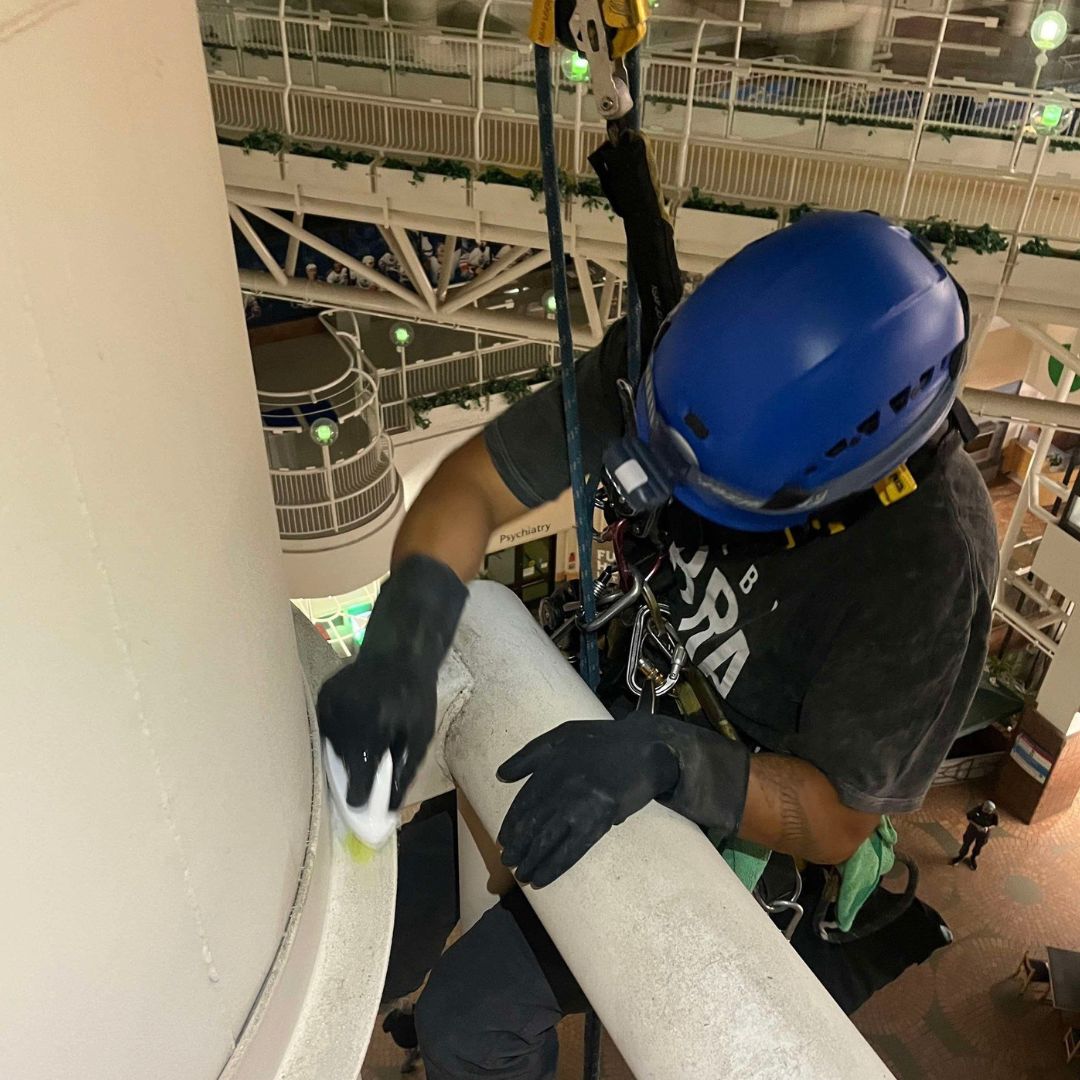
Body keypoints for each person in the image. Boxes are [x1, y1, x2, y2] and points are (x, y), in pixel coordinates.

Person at [317, 211, 998, 1079]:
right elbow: (473, 487)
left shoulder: (927, 568)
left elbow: (834, 818)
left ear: (829, 489)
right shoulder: (686, 380)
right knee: (399, 890)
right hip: (613, 706)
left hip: (733, 806)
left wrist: (676, 762)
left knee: (472, 1016)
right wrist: (404, 643)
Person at [951, 800, 998, 869]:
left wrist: (987, 828)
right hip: (972, 830)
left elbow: (995, 824)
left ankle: (973, 858)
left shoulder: (994, 814)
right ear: (983, 806)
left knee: (979, 846)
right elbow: (969, 818)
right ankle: (961, 856)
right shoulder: (977, 809)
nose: (986, 812)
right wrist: (977, 826)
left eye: (988, 811)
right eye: (985, 810)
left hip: (984, 833)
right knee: (966, 843)